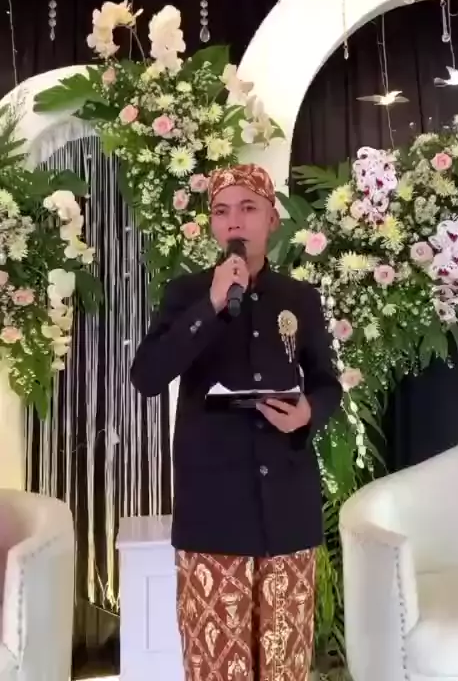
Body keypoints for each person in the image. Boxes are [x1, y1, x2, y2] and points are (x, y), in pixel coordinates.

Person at [130, 163, 342, 681]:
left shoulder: (299, 298)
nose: (235, 221)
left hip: (287, 508)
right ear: (211, 225)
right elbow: (147, 377)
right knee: (216, 666)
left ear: (272, 220)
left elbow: (326, 383)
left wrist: (308, 413)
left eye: (248, 208)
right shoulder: (185, 294)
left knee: (284, 665)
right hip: (213, 511)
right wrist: (211, 304)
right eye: (222, 211)